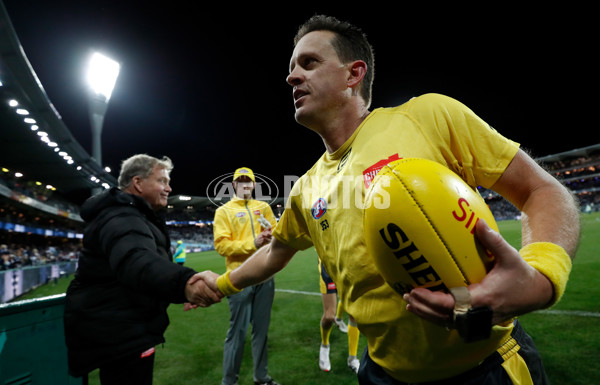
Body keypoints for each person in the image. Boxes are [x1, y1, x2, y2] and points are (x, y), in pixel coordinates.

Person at [195, 15, 580, 385]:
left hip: (484, 368)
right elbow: (274, 253)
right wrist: (224, 282)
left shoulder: (427, 115)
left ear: (354, 74)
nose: (291, 76)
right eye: (293, 67)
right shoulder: (305, 187)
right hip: (379, 372)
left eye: (309, 63)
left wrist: (542, 276)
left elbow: (540, 190)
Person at [63, 154, 221, 385]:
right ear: (137, 183)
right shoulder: (121, 216)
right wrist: (184, 284)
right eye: (162, 181)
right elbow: (136, 262)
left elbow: (148, 264)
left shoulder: (131, 214)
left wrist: (175, 289)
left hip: (122, 328)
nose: (169, 188)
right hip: (119, 333)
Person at [212, 167, 280, 385]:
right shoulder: (224, 211)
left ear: (253, 184)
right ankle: (229, 381)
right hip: (239, 278)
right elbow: (222, 246)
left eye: (248, 181)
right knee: (237, 334)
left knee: (261, 331)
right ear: (234, 185)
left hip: (264, 277)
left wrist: (272, 238)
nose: (245, 185)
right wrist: (254, 243)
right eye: (240, 182)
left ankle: (261, 377)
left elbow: (277, 236)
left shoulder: (264, 208)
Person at [318, 258, 360, 374]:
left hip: (347, 263)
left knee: (353, 315)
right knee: (329, 316)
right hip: (328, 265)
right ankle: (325, 345)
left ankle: (352, 359)